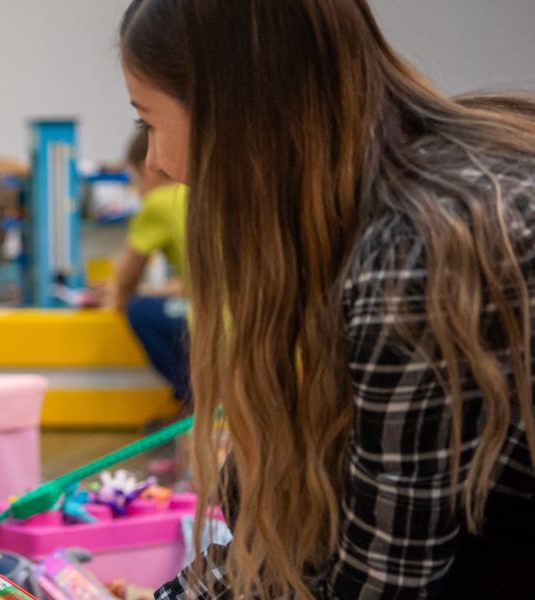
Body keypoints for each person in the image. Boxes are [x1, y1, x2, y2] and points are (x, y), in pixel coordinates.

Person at [119, 0, 535, 598]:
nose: (155, 162)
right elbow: (304, 528)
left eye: (147, 123)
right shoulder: (415, 180)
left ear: (234, 111)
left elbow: (379, 580)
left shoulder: (412, 254)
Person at [106, 130, 190, 403]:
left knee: (140, 309)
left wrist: (114, 304)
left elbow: (127, 275)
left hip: (213, 320)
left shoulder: (158, 201)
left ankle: (190, 400)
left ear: (148, 169)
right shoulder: (193, 193)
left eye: (134, 182)